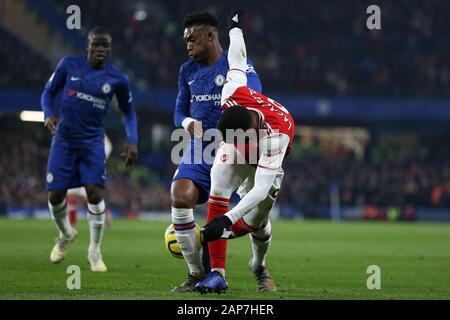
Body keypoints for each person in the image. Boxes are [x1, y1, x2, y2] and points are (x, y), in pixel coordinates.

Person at [195, 11, 295, 293]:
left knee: (255, 224)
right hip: (242, 150)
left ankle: (258, 265)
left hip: (266, 166)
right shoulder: (233, 92)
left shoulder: (278, 133)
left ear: (252, 132)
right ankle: (217, 274)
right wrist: (235, 29)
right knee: (219, 177)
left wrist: (226, 220)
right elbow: (237, 58)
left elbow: (260, 190)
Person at [171, 11, 262, 292]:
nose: (187, 46)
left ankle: (242, 268)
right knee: (180, 195)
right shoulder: (187, 71)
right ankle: (195, 273)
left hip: (231, 151)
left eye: (192, 39)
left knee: (218, 218)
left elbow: (253, 101)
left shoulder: (238, 65)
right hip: (199, 149)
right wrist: (187, 123)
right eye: (185, 40)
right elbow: (178, 111)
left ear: (210, 36)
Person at [41, 27, 138, 272]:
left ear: (110, 49)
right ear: (88, 45)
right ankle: (65, 234)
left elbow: (128, 112)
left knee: (94, 192)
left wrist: (132, 140)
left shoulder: (118, 78)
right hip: (63, 139)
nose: (101, 50)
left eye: (106, 46)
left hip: (93, 141)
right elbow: (48, 92)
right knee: (55, 195)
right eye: (97, 45)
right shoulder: (68, 65)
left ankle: (94, 250)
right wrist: (49, 114)